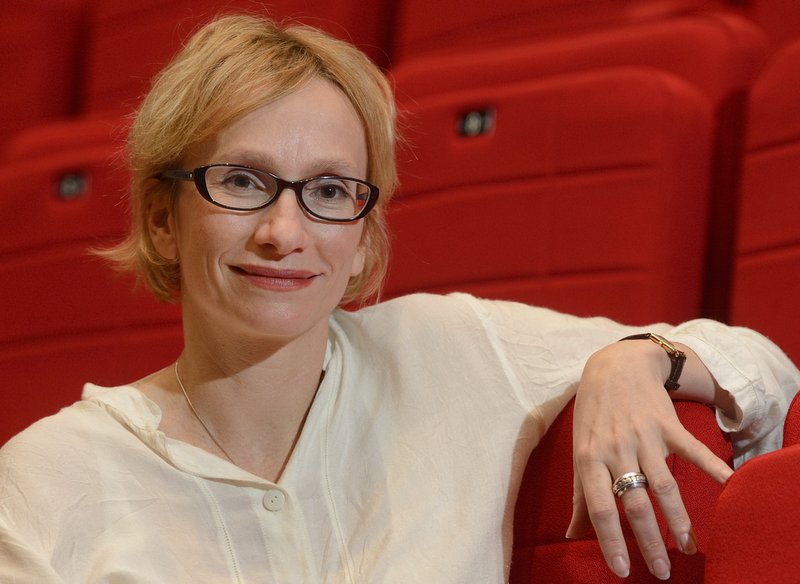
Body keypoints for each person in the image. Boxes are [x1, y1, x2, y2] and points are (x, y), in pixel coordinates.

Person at [0, 13, 798, 584]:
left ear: (362, 234)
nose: (284, 231)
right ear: (161, 219)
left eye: (328, 190)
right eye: (241, 181)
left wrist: (639, 359)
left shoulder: (451, 348)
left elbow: (767, 372)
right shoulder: (39, 484)